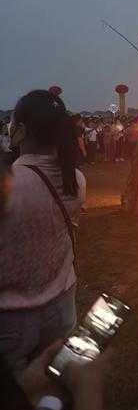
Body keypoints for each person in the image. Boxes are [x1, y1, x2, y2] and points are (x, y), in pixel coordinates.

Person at [0, 90, 86, 373]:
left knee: (16, 408)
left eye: (12, 123)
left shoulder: (10, 185)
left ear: (21, 131)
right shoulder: (77, 181)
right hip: (61, 306)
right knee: (56, 388)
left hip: (11, 318)